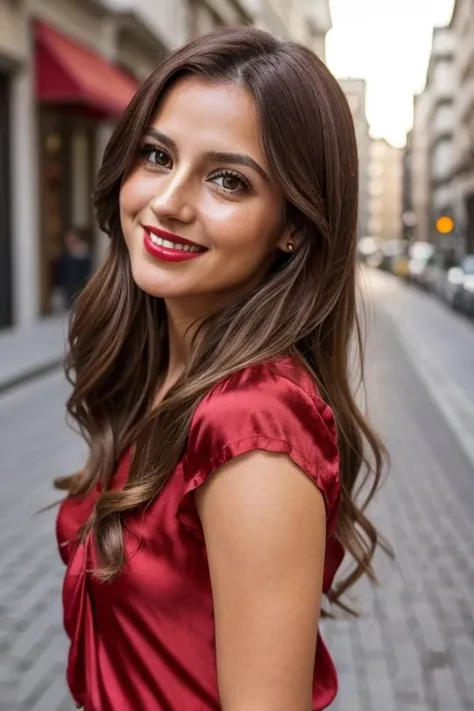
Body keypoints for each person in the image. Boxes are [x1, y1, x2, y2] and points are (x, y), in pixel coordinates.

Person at [55, 26, 387, 711]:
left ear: (293, 224)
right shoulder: (166, 372)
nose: (170, 201)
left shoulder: (252, 421)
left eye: (227, 179)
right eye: (157, 155)